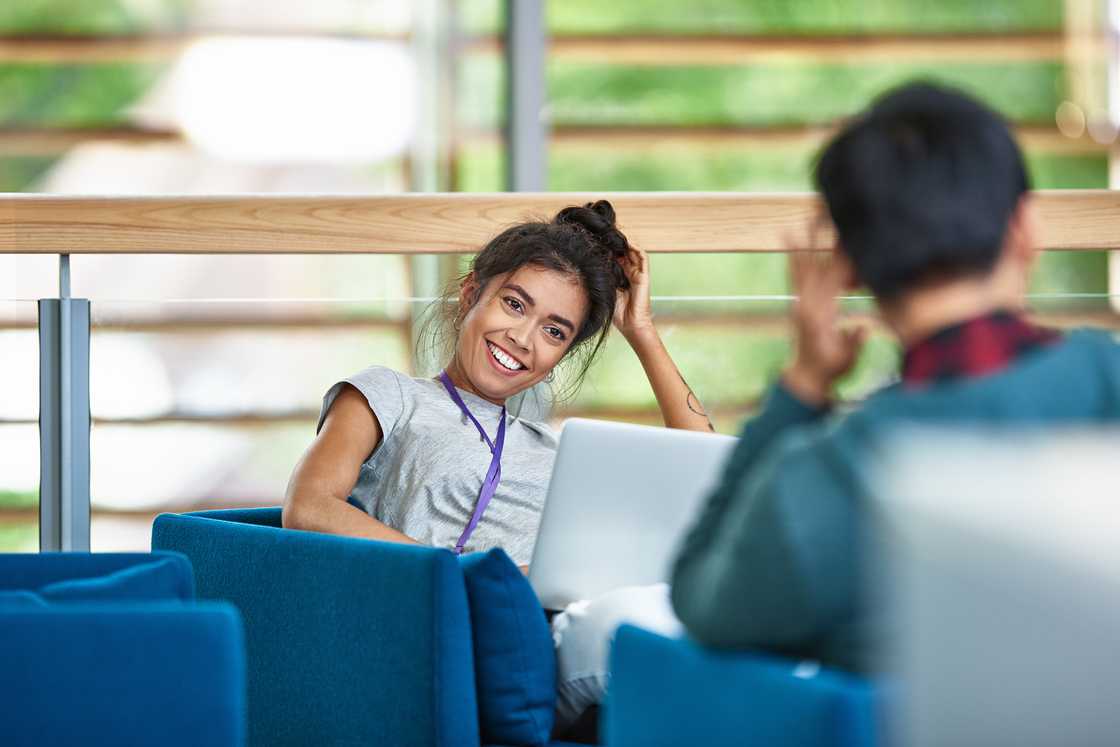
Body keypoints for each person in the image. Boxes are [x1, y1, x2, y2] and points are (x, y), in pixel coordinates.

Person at [670, 82, 1120, 672]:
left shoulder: (821, 480)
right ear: (1024, 229)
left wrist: (804, 383)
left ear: (848, 268)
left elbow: (700, 598)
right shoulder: (1104, 381)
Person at [283, 200, 712, 730]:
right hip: (497, 632)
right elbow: (309, 507)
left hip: (573, 620)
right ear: (471, 295)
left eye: (555, 331)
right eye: (514, 304)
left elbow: (709, 479)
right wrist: (479, 578)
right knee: (642, 633)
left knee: (712, 622)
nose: (524, 338)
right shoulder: (388, 394)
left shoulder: (559, 450)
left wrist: (641, 332)